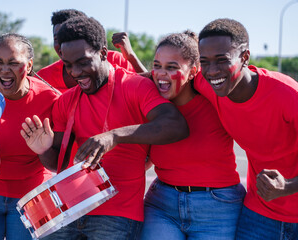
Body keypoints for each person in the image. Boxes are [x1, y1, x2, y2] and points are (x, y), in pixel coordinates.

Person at [21, 16, 189, 239]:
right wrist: (43, 150)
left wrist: (115, 136)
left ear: (102, 53)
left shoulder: (135, 86)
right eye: (68, 65)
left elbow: (176, 126)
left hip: (117, 214)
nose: (75, 72)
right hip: (68, 210)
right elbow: (56, 164)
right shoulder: (65, 101)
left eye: (82, 62)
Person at [195, 18, 298, 239]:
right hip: (260, 213)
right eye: (204, 61)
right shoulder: (209, 85)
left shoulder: (288, 94)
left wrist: (288, 186)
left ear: (244, 57)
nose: (212, 71)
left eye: (222, 60)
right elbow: (162, 82)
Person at [139, 31, 246, 240]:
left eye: (171, 67)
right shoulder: (150, 106)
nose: (161, 73)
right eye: (157, 65)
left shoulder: (215, 100)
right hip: (162, 203)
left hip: (217, 206)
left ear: (193, 72)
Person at [0, 33, 59, 240]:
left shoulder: (51, 99)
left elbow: (58, 164)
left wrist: (43, 150)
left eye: (13, 63)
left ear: (29, 65)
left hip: (32, 197)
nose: (5, 70)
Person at [37, 9, 145, 93]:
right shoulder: (43, 77)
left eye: (72, 38)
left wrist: (131, 57)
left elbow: (147, 86)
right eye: (57, 39)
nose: (64, 46)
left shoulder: (117, 60)